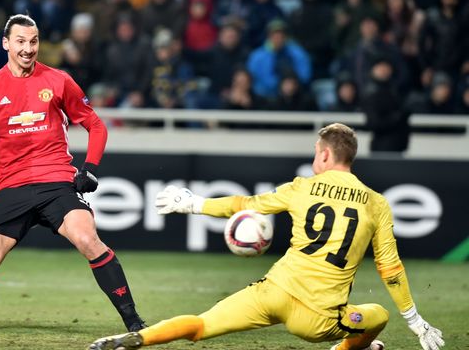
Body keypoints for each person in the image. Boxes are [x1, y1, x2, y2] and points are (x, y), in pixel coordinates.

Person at [89, 123, 445, 350]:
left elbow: (246, 204)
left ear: (324, 153)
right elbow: (390, 267)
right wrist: (414, 320)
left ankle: (136, 340)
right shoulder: (376, 202)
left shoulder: (302, 188)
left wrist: (194, 204)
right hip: (318, 317)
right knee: (378, 315)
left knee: (200, 325)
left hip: (271, 292)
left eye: (315, 154)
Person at [0, 14, 145, 341]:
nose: (28, 48)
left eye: (33, 41)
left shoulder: (58, 81)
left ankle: (134, 322)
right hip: (10, 187)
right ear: (6, 43)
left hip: (56, 182)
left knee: (87, 239)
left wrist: (89, 167)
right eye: (20, 41)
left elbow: (95, 124)